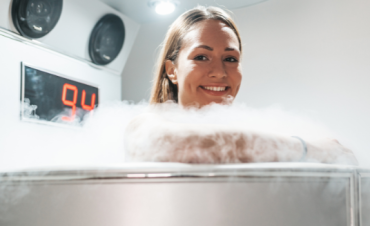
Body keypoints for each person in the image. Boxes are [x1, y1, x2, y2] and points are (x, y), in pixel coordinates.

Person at [125, 6, 357, 165]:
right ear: (172, 71)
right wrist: (312, 150)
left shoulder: (259, 132)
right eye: (201, 57)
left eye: (230, 59)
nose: (219, 72)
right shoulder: (145, 124)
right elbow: (184, 146)